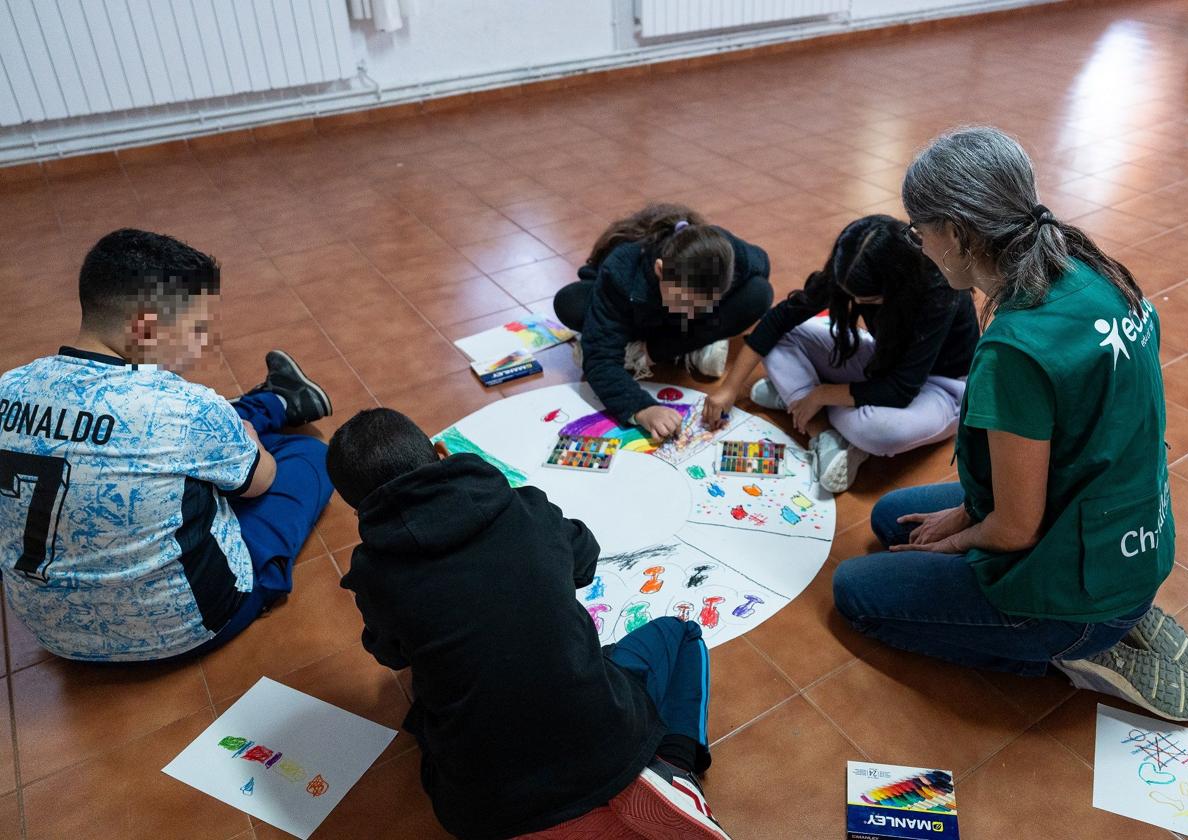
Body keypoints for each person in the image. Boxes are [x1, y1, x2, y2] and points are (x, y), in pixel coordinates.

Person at [832, 127, 1188, 721]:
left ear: (955, 232)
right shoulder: (1090, 269)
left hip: (1077, 584)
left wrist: (959, 541)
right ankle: (1114, 611)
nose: (920, 247)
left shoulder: (1015, 351)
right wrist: (967, 514)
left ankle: (1074, 653)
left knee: (855, 592)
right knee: (889, 518)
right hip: (1124, 529)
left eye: (920, 231)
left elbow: (1016, 531)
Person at [328, 408, 729, 839]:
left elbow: (389, 652)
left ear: (359, 508)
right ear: (439, 454)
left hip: (484, 804)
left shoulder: (373, 572)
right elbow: (585, 558)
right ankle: (673, 766)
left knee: (430, 716)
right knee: (681, 635)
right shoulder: (523, 507)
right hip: (609, 745)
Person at [0, 229, 334, 662]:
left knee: (208, 433)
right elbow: (261, 480)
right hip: (185, 631)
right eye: (195, 329)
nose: (204, 343)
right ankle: (272, 405)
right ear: (144, 328)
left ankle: (271, 402)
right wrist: (246, 445)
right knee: (306, 457)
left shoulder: (7, 387)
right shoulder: (183, 406)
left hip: (52, 637)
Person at [703, 215, 979, 493]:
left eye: (869, 300)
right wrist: (728, 389)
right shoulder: (851, 267)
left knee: (881, 432)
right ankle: (821, 430)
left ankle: (798, 399)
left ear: (897, 283)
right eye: (853, 296)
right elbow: (779, 319)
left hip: (941, 387)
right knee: (781, 336)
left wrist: (820, 394)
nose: (858, 304)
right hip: (882, 359)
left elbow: (901, 388)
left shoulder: (940, 291)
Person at [554, 203, 773, 439]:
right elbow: (599, 358)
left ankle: (668, 348)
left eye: (703, 304)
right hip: (634, 313)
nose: (691, 313)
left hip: (669, 325)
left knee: (759, 293)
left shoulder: (728, 252)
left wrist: (664, 344)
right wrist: (642, 408)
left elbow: (762, 264)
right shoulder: (621, 271)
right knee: (571, 303)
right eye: (685, 301)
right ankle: (656, 348)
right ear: (660, 270)